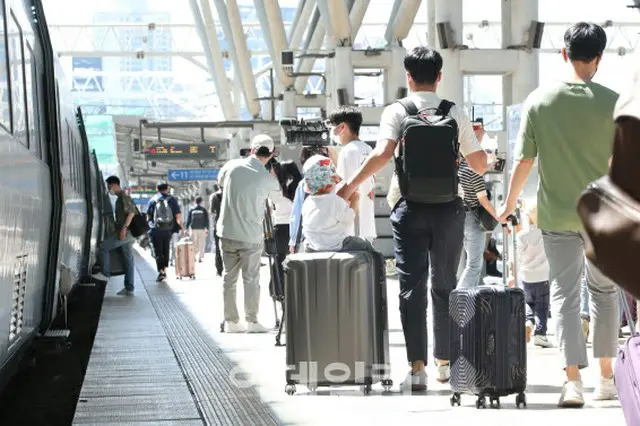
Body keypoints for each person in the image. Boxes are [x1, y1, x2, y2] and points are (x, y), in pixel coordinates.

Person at [337, 46, 488, 391]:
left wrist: (350, 186)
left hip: (408, 208)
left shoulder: (397, 110)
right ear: (439, 77)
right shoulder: (455, 111)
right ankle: (445, 364)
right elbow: (478, 165)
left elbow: (382, 154)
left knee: (411, 287)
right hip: (449, 209)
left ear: (408, 77)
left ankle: (416, 367)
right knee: (445, 285)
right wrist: (472, 148)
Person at [498, 22, 619, 406]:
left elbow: (524, 162)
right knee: (604, 293)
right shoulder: (616, 102)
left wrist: (507, 203)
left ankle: (572, 383)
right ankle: (606, 377)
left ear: (564, 54)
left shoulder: (540, 101)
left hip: (558, 215)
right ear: (599, 57)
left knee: (565, 296)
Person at [217, 134, 280, 333]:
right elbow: (277, 195)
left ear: (251, 150)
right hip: (251, 236)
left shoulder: (230, 166)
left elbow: (220, 184)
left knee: (229, 278)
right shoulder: (266, 178)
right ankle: (252, 321)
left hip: (227, 231)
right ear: (271, 154)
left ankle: (231, 322)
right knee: (251, 279)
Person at [457, 123, 501, 288]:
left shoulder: (460, 167)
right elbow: (483, 201)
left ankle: (469, 300)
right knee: (474, 265)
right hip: (472, 220)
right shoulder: (474, 171)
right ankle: (460, 302)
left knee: (468, 262)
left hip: (459, 216)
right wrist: (499, 216)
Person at [328, 106, 376, 241]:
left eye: (333, 126)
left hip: (352, 226)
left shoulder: (348, 151)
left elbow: (346, 186)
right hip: (367, 223)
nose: (333, 131)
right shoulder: (367, 148)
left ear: (342, 126)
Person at [514, 202, 553, 348]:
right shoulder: (546, 233)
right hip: (542, 276)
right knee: (542, 307)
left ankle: (528, 321)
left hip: (526, 276)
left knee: (528, 303)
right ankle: (540, 335)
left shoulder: (521, 236)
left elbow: (518, 257)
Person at [92, 176, 136, 295]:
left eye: (109, 186)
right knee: (128, 259)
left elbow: (131, 213)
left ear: (115, 185)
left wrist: (123, 229)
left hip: (126, 232)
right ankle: (129, 288)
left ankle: (105, 274)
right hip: (128, 233)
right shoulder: (120, 198)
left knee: (103, 247)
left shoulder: (123, 197)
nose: (108, 189)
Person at [288, 146, 331, 253]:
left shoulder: (303, 184)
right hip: (331, 237)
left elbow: (297, 214)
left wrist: (293, 241)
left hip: (309, 237)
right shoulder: (333, 181)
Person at [147, 182, 183, 282]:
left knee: (158, 251)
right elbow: (178, 216)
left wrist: (151, 226)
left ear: (157, 189)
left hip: (156, 229)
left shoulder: (152, 200)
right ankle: (165, 270)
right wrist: (181, 228)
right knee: (166, 248)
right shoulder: (172, 199)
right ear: (167, 189)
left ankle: (161, 271)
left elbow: (149, 216)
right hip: (168, 229)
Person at [186, 197, 210, 263]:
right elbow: (207, 220)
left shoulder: (192, 209)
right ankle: (200, 257)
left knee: (193, 243)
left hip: (193, 229)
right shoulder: (204, 210)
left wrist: (187, 228)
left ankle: (193, 256)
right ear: (201, 202)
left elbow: (189, 220)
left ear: (195, 202)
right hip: (202, 229)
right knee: (202, 243)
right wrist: (207, 228)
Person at [210, 184, 224, 276]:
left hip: (219, 225)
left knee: (218, 248)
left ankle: (219, 269)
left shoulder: (214, 196)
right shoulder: (231, 195)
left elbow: (212, 211)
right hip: (231, 225)